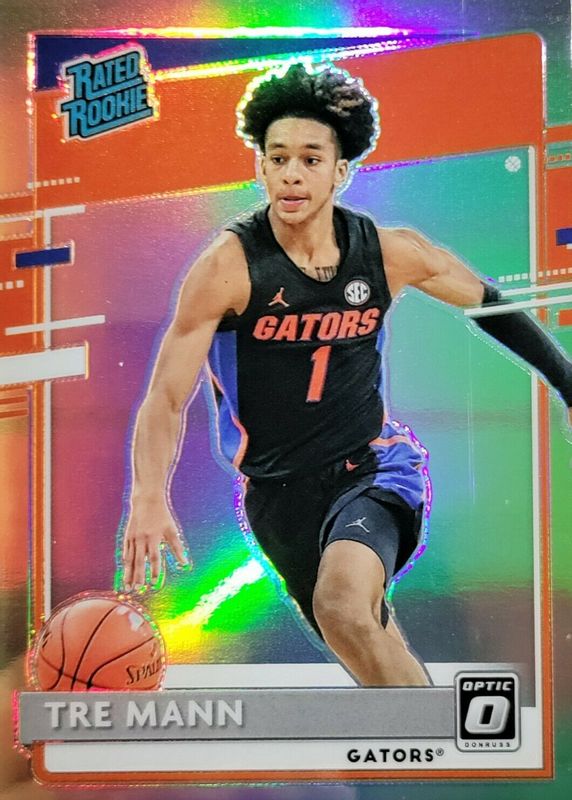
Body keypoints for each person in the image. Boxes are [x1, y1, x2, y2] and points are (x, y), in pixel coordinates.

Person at [122, 62, 572, 687]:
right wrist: (148, 495)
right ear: (261, 167)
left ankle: (430, 734)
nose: (292, 174)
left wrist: (567, 383)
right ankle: (438, 741)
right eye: (278, 158)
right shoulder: (228, 268)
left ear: (341, 170)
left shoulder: (387, 253)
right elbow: (165, 398)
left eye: (311, 159)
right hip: (276, 498)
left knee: (342, 605)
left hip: (372, 469)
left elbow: (488, 302)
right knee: (368, 646)